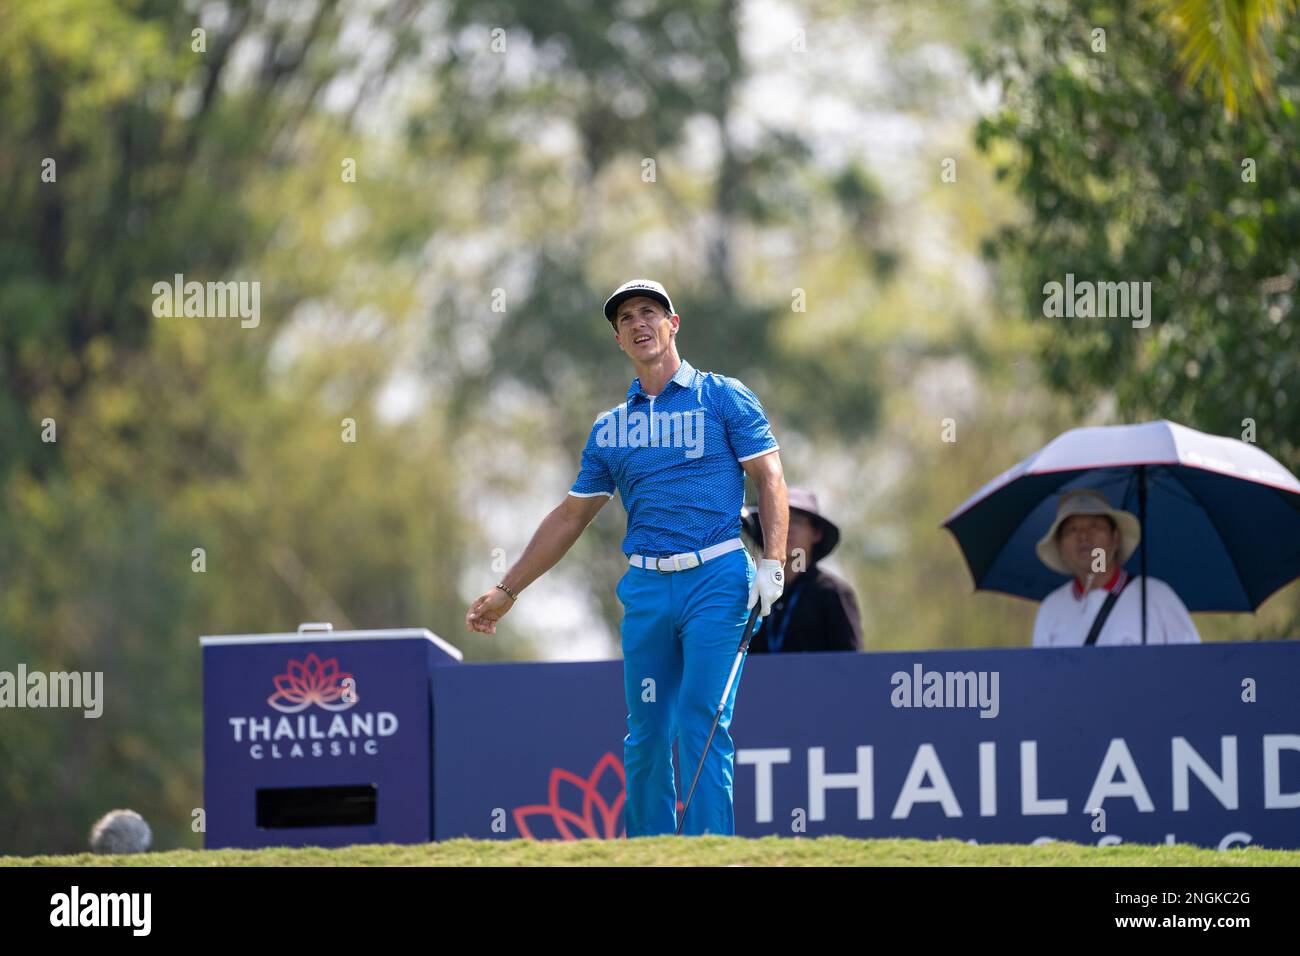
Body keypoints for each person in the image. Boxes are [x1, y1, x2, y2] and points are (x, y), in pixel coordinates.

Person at [465, 278, 789, 837]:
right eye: (625, 320)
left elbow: (770, 477)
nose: (638, 324)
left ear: (673, 323)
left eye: (649, 313)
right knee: (645, 735)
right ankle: (648, 853)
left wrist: (774, 563)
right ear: (618, 340)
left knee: (701, 721)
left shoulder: (723, 396)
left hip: (717, 578)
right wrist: (508, 589)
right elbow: (570, 516)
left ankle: (709, 853)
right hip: (645, 589)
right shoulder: (611, 428)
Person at [1031, 489, 1200, 647]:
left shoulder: (1156, 597)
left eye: (1095, 526)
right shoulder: (1051, 609)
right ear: (1060, 547)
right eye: (1072, 529)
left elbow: (1192, 665)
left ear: (1115, 538)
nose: (1083, 536)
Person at [740, 487, 862, 652]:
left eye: (795, 520)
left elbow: (851, 665)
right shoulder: (751, 593)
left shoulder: (833, 593)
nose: (786, 528)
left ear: (816, 534)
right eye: (777, 519)